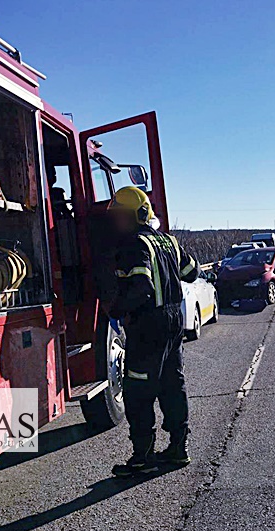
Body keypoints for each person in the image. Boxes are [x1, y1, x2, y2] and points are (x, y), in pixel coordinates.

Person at [106, 187, 199, 477]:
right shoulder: (169, 241)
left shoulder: (133, 244)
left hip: (148, 326)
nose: (117, 223)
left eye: (121, 216)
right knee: (173, 385)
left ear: (138, 215)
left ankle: (143, 458)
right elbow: (192, 271)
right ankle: (178, 449)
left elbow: (142, 287)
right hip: (173, 322)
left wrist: (116, 311)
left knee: (138, 391)